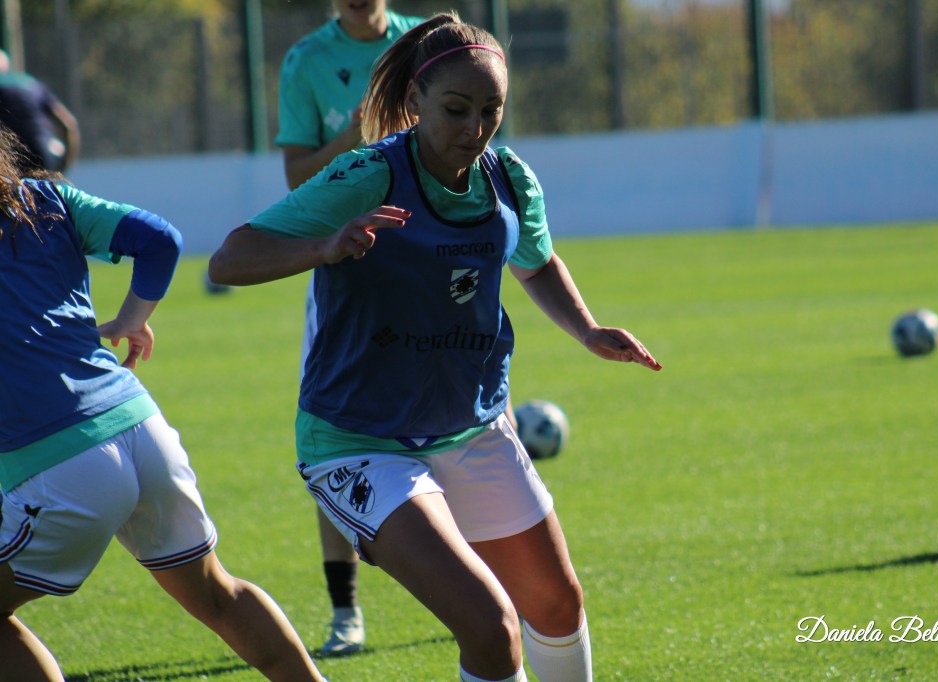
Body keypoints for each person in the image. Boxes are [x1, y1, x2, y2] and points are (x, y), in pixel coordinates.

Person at [209, 12, 662, 682]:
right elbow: (230, 259)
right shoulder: (367, 175)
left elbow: (537, 263)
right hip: (360, 442)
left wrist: (588, 329)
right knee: (491, 627)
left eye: (490, 111)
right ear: (416, 100)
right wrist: (326, 246)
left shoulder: (508, 179)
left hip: (472, 428)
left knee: (557, 604)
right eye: (456, 109)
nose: (474, 128)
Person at [0, 128, 325, 682]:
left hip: (59, 464)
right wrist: (132, 318)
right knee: (217, 594)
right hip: (139, 426)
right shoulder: (48, 198)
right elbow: (159, 238)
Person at [276, 0, 422, 657]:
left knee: (463, 422)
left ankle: (484, 588)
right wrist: (354, 135)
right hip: (347, 270)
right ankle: (346, 612)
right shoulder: (306, 60)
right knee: (334, 430)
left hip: (429, 258)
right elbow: (296, 178)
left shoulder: (427, 43)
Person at [0, 50, 80, 173]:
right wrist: (65, 164)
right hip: (44, 152)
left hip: (10, 158)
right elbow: (68, 124)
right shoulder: (33, 84)